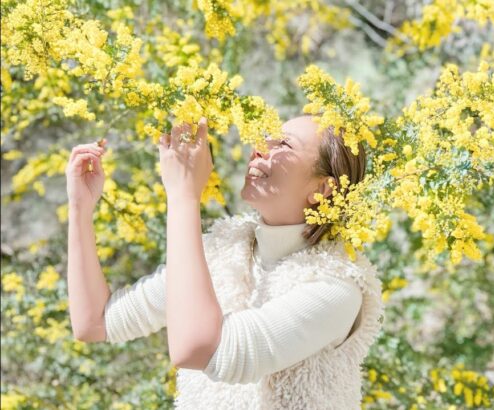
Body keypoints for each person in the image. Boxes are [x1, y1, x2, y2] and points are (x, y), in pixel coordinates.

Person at [65, 114, 385, 409]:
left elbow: (202, 351)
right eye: (265, 138)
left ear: (323, 189)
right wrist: (80, 207)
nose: (260, 149)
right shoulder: (225, 251)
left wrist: (183, 195)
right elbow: (95, 322)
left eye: (283, 144)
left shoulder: (336, 287)